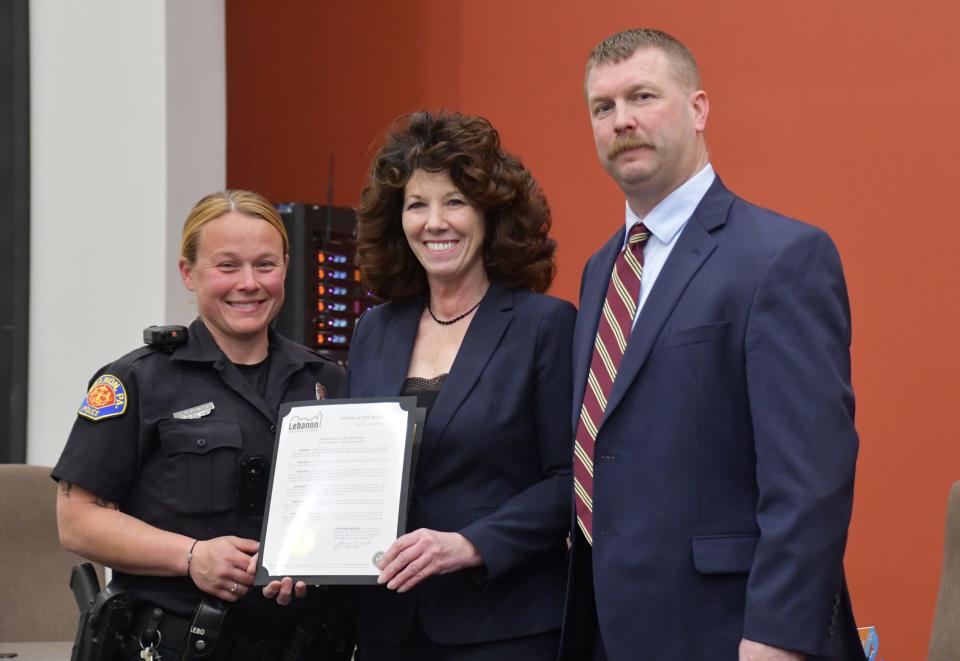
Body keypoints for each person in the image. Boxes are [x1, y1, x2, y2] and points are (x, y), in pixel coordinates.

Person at [558, 29, 865, 661]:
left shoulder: (782, 257)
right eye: (603, 107)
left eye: (643, 96)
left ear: (698, 110)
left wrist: (778, 639)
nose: (623, 121)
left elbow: (811, 480)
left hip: (731, 634)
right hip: (609, 629)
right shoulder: (600, 271)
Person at [52, 190, 349, 660]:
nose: (249, 283)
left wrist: (320, 561)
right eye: (227, 266)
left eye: (265, 265)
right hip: (177, 645)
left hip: (303, 643)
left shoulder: (325, 380)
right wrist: (192, 557)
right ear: (188, 273)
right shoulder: (136, 381)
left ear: (286, 267)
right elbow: (77, 521)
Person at [336, 110, 573, 660]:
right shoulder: (375, 329)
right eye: (417, 204)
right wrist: (301, 556)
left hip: (503, 626)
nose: (434, 222)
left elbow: (571, 483)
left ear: (491, 216)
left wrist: (470, 544)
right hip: (387, 628)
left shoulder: (545, 325)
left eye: (455, 202)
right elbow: (354, 470)